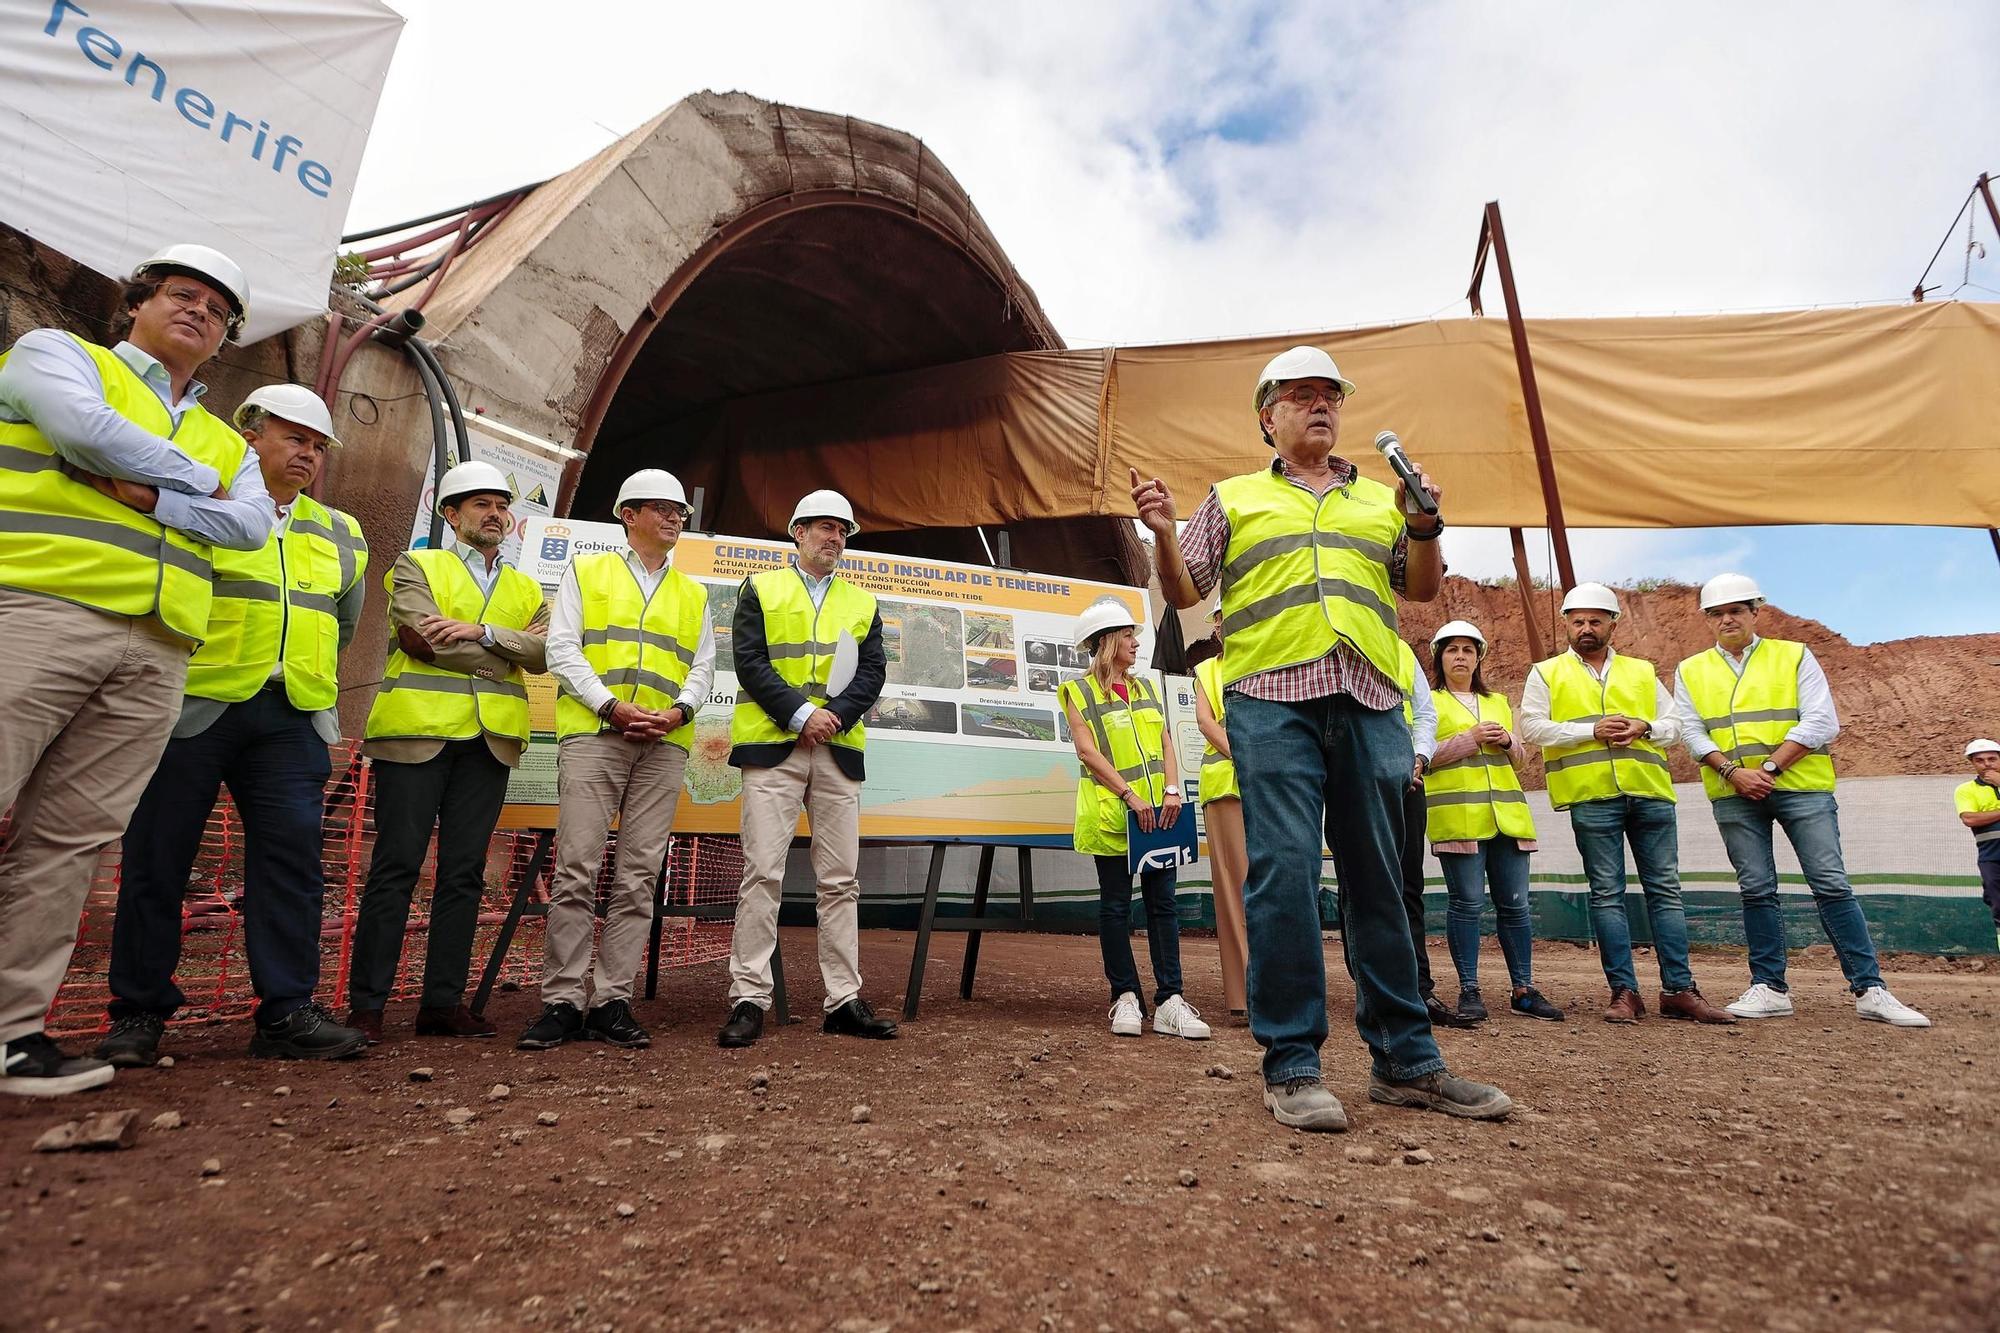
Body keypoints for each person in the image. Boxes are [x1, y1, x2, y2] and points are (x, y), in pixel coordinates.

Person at [1134, 344, 1512, 1131]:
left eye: (1330, 395)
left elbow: (1420, 585)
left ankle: (1407, 1061)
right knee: (1288, 872)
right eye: (1301, 395)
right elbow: (1185, 587)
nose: (1321, 406)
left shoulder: (1380, 499)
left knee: (1378, 879)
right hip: (1271, 702)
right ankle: (1293, 1063)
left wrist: (1425, 521)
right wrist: (1167, 530)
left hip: (1369, 696)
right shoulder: (1233, 497)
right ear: (1266, 416)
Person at [0, 244, 273, 1097]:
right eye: (182, 294)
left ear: (225, 339)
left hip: (156, 648)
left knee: (69, 840)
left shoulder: (227, 436)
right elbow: (84, 430)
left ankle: (13, 1035)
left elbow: (252, 528)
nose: (199, 311)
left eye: (217, 310)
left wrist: (153, 496)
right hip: (42, 611)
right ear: (137, 303)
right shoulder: (58, 355)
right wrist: (199, 486)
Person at [96, 384, 370, 1065]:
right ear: (250, 437)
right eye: (293, 438)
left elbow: (344, 621)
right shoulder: (201, 504)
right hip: (194, 703)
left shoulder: (342, 531)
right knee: (157, 857)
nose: (307, 453)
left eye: (317, 445)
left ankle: (286, 1011)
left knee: (293, 865)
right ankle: (137, 1011)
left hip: (292, 714)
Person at [344, 461, 550, 1042]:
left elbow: (543, 654)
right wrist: (503, 651)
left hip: (490, 743)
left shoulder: (526, 586)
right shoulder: (417, 565)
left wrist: (480, 634)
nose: (494, 513)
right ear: (450, 515)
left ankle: (442, 1005)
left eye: (500, 503)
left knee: (464, 874)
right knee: (396, 867)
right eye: (479, 503)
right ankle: (368, 1006)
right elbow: (421, 638)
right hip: (417, 733)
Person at [1675, 573, 1929, 1026]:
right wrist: (1734, 773)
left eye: (1736, 610)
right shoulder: (1690, 669)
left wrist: (1768, 771)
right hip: (1733, 792)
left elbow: (1820, 721)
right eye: (1717, 612)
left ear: (1756, 612)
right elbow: (1691, 731)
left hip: (1800, 787)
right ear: (1707, 620)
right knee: (1756, 889)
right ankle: (1769, 988)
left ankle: (1871, 990)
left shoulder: (1793, 655)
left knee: (1830, 884)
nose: (1727, 619)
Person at [518, 470, 713, 1050]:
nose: (676, 519)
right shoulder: (587, 571)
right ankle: (561, 1001)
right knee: (577, 868)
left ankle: (611, 1001)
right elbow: (561, 647)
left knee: (638, 878)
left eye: (680, 511)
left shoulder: (694, 592)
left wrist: (678, 712)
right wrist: (610, 707)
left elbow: (702, 667)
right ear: (628, 514)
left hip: (663, 744)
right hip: (597, 737)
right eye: (663, 509)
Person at [716, 490, 898, 1047]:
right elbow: (749, 662)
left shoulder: (862, 602)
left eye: (843, 530)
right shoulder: (761, 587)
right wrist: (800, 716)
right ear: (796, 532)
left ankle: (843, 1000)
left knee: (841, 881)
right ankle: (749, 998)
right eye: (824, 527)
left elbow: (872, 673)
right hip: (775, 746)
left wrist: (833, 718)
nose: (834, 537)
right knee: (762, 875)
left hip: (837, 750)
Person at [1519, 583, 1733, 1025]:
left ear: (1612, 623)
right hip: (1592, 796)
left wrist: (1644, 725)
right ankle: (1624, 992)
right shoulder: (1547, 672)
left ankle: (1679, 990)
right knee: (1607, 896)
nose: (1586, 628)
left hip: (1649, 793)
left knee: (1666, 893)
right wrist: (1590, 731)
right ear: (1566, 623)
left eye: (1596, 620)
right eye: (1578, 620)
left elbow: (1675, 724)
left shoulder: (1641, 670)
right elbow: (1533, 727)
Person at [1061, 597, 1209, 1039]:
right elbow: (1087, 751)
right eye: (1127, 635)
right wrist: (1129, 795)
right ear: (1106, 641)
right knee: (1115, 906)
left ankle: (1170, 1001)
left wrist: (1170, 790)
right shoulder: (1078, 691)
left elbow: (1165, 739)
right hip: (1114, 814)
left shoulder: (1145, 688)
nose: (1135, 642)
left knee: (1163, 904)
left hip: (1158, 815)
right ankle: (1125, 996)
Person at [1423, 621, 1561, 1024]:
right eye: (1452, 650)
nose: (1461, 656)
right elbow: (1422, 755)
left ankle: (1523, 988)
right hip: (1459, 818)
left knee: (1515, 907)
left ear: (1478, 656)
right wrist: (1470, 738)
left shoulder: (1499, 702)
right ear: (1439, 657)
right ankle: (1470, 989)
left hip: (1509, 818)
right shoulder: (1427, 702)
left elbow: (1521, 758)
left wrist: (1506, 742)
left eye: (1468, 649)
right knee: (1466, 905)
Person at [1399, 642, 1474, 1031]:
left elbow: (1424, 715)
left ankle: (1419, 989)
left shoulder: (1398, 651)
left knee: (1409, 888)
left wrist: (1419, 758)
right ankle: (1373, 986)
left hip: (1408, 780)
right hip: (1357, 782)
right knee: (1362, 887)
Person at [1192, 611, 1249, 1017]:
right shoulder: (1207, 671)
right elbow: (1205, 723)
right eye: (1221, 618)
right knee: (1234, 888)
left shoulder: (1268, 660)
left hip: (1275, 783)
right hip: (1228, 788)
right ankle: (1246, 995)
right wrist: (1251, 758)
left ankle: (1285, 990)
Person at [1956, 739, 2000, 953]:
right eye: (1980, 760)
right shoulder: (1966, 790)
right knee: (1997, 904)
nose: (1987, 764)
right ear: (1972, 763)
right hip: (1992, 856)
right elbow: (1970, 819)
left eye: (1992, 759)